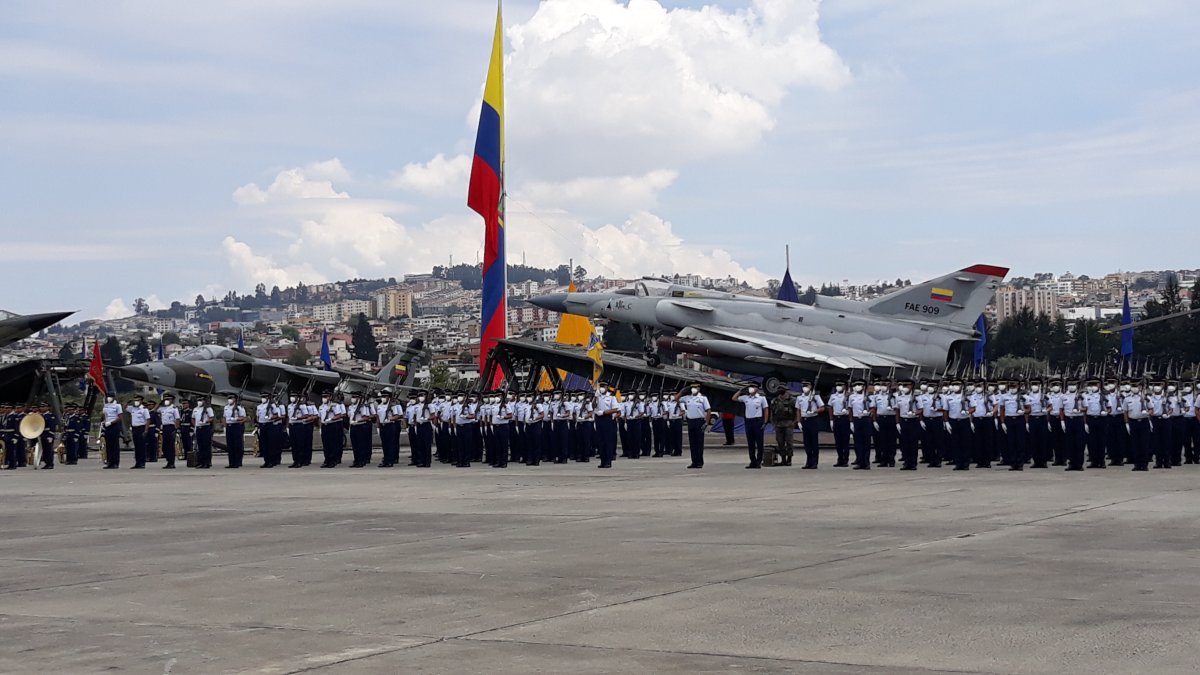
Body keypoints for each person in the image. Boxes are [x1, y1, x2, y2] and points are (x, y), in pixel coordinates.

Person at [733, 384, 768, 469]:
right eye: (750, 387)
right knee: (750, 442)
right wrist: (741, 390)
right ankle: (753, 461)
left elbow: (766, 409)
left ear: (757, 388)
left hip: (758, 421)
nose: (750, 389)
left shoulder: (761, 398)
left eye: (753, 387)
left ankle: (759, 462)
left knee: (759, 442)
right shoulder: (746, 397)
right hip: (748, 421)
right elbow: (734, 398)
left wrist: (765, 421)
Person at [677, 383, 712, 469]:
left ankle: (699, 462)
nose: (693, 389)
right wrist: (682, 391)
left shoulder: (703, 398)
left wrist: (706, 423)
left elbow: (708, 410)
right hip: (691, 421)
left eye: (695, 387)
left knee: (699, 442)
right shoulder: (687, 397)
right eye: (692, 387)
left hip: (699, 421)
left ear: (699, 388)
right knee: (692, 442)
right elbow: (675, 399)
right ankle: (694, 462)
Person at [998, 380, 1026, 471]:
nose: (1013, 388)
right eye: (1011, 386)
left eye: (1014, 386)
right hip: (1009, 419)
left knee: (1020, 442)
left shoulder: (1023, 396)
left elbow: (1029, 409)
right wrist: (1002, 422)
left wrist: (1024, 411)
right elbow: (1002, 409)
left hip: (1019, 419)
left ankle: (1020, 463)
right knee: (1011, 442)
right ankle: (1013, 463)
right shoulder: (1004, 396)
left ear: (1018, 386)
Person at [797, 382, 825, 469]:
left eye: (806, 386)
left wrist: (815, 411)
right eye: (803, 386)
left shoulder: (815, 396)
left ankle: (814, 462)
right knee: (807, 443)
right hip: (804, 420)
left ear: (810, 387)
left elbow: (822, 407)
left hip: (813, 420)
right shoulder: (799, 397)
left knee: (814, 442)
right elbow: (798, 410)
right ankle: (808, 462)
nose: (804, 387)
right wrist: (799, 422)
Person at [895, 380, 920, 470]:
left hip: (913, 421)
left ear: (912, 386)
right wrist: (897, 423)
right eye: (903, 385)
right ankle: (906, 462)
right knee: (904, 443)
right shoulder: (899, 397)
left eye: (907, 385)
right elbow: (897, 410)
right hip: (903, 421)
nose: (905, 387)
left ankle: (913, 463)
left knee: (913, 443)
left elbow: (921, 409)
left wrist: (914, 413)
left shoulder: (916, 397)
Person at [1081, 379, 1107, 469]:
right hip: (1090, 419)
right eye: (1090, 384)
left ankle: (1101, 461)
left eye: (1094, 384)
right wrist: (1085, 423)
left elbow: (1109, 407)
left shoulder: (1103, 395)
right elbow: (1084, 410)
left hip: (1101, 419)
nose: (1092, 386)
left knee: (1101, 441)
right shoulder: (1085, 396)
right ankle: (1093, 461)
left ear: (1099, 385)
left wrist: (1106, 412)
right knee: (1091, 441)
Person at [1023, 380, 1049, 468]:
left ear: (1039, 385)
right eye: (1033, 384)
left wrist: (1047, 410)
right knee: (1033, 441)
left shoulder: (1044, 395)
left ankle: (1043, 461)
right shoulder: (1027, 396)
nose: (1034, 386)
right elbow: (1026, 409)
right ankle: (1036, 461)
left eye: (1036, 384)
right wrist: (1026, 422)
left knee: (1043, 440)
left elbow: (1050, 406)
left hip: (1042, 418)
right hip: (1032, 418)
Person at [594, 382, 620, 468]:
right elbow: (593, 406)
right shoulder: (598, 396)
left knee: (608, 441)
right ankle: (602, 461)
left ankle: (608, 462)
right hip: (599, 418)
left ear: (607, 387)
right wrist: (595, 397)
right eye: (600, 386)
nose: (601, 388)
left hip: (607, 419)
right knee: (600, 441)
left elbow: (615, 409)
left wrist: (604, 412)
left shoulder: (611, 397)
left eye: (603, 386)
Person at [1061, 382, 1086, 472]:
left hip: (1078, 419)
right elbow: (1061, 409)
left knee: (1079, 442)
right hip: (1068, 419)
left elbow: (1086, 408)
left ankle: (1079, 464)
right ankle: (1071, 463)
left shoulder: (1082, 396)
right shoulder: (1063, 396)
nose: (1072, 386)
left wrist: (1079, 410)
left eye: (1073, 384)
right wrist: (1062, 421)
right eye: (1070, 384)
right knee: (1069, 442)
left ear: (1077, 386)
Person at [848, 380, 873, 470]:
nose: (857, 386)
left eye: (859, 385)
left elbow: (873, 408)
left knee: (866, 442)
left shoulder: (869, 396)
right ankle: (859, 461)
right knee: (858, 442)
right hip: (856, 419)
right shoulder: (851, 397)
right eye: (856, 385)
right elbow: (850, 409)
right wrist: (851, 422)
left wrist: (868, 413)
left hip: (865, 419)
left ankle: (866, 463)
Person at [769, 388, 797, 467]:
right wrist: (773, 423)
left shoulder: (792, 400)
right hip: (778, 424)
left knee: (789, 442)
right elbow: (772, 412)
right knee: (780, 442)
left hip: (788, 423)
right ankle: (783, 459)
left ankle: (789, 459)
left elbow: (797, 411)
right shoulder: (775, 400)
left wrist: (794, 422)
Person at [827, 381, 852, 467]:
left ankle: (845, 459)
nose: (838, 387)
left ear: (844, 386)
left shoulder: (849, 395)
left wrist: (849, 413)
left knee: (845, 440)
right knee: (838, 441)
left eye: (840, 385)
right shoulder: (833, 396)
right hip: (836, 418)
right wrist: (831, 420)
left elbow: (851, 407)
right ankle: (840, 459)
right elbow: (830, 407)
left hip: (844, 419)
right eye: (837, 385)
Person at [318, 391, 346, 468]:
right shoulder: (321, 406)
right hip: (324, 426)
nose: (324, 398)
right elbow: (320, 418)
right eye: (323, 396)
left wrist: (331, 419)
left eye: (326, 396)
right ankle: (327, 460)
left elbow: (339, 415)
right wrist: (320, 427)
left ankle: (333, 460)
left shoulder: (334, 405)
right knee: (326, 444)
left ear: (330, 397)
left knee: (333, 444)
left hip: (332, 425)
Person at [347, 394, 375, 468]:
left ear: (359, 398)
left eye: (354, 397)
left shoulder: (363, 407)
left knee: (361, 445)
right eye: (352, 397)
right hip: (353, 426)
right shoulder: (350, 407)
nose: (353, 399)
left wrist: (358, 420)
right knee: (355, 445)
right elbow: (349, 417)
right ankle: (356, 460)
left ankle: (361, 461)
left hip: (360, 426)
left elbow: (366, 417)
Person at [126, 395, 150, 469]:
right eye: (135, 400)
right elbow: (125, 407)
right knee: (136, 447)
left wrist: (146, 430)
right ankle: (137, 463)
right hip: (134, 429)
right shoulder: (133, 408)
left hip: (141, 428)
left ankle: (142, 463)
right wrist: (128, 402)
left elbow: (148, 420)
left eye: (138, 400)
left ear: (141, 401)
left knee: (141, 447)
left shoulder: (144, 409)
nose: (136, 402)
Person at [223, 395, 248, 468]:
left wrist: (237, 419)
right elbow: (224, 417)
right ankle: (231, 462)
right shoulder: (226, 407)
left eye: (231, 398)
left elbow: (244, 418)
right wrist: (225, 426)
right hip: (229, 426)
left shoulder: (239, 408)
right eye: (229, 398)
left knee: (237, 445)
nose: (229, 400)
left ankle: (237, 462)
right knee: (230, 445)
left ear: (235, 399)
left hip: (236, 426)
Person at [193, 396, 215, 469]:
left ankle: (207, 462)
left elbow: (211, 418)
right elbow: (193, 418)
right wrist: (196, 425)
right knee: (200, 446)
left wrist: (205, 421)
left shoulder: (208, 409)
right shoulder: (195, 409)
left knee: (206, 446)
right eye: (198, 400)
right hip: (199, 428)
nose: (199, 402)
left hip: (205, 428)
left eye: (201, 400)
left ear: (204, 401)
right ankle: (200, 462)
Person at [158, 394, 179, 469]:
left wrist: (176, 429)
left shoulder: (174, 408)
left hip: (171, 427)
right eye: (166, 399)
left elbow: (177, 419)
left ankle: (171, 463)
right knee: (165, 446)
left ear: (172, 400)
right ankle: (168, 461)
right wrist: (160, 402)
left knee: (170, 446)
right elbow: (154, 410)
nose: (167, 401)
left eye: (169, 399)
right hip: (164, 427)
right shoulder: (162, 408)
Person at [177, 398, 194, 464]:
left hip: (188, 428)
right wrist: (179, 428)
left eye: (185, 403)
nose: (183, 405)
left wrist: (191, 430)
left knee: (189, 443)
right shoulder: (182, 412)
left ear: (188, 404)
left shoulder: (190, 412)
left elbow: (192, 421)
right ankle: (186, 455)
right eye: (183, 403)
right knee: (184, 443)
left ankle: (190, 456)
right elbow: (180, 420)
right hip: (183, 428)